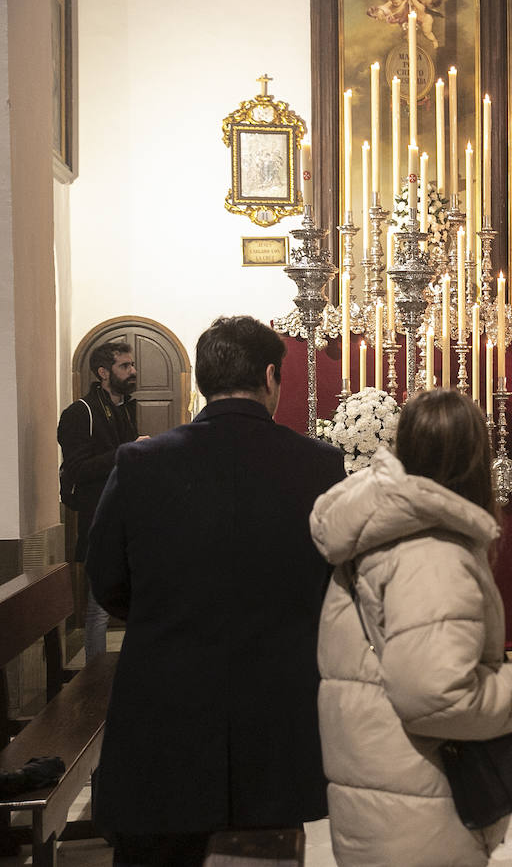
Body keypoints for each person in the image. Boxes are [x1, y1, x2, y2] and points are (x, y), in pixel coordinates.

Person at [86, 316, 346, 867]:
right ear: (272, 377)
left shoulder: (141, 462)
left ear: (204, 378)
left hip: (165, 701)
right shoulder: (320, 467)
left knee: (156, 850)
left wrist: (167, 617)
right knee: (266, 847)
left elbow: (107, 577)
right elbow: (335, 581)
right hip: (276, 705)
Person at [313, 389, 512, 866]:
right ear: (477, 462)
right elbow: (438, 697)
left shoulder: (379, 528)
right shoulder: (433, 553)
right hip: (419, 811)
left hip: (385, 786)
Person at [57, 341, 143, 662]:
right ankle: (92, 682)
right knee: (98, 612)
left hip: (130, 521)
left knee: (137, 604)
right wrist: (129, 451)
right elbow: (77, 470)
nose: (133, 371)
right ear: (103, 372)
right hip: (100, 522)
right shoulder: (80, 413)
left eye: (132, 365)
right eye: (125, 366)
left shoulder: (124, 407)